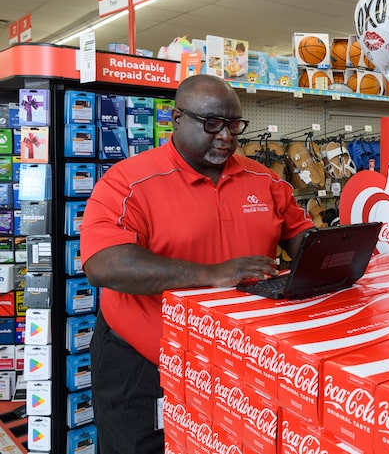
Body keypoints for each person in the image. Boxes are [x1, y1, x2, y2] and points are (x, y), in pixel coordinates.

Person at [80, 74, 315, 454]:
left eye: (234, 125)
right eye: (211, 124)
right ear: (176, 118)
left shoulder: (264, 180)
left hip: (238, 360)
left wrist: (335, 255)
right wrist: (212, 274)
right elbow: (103, 263)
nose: (225, 136)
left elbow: (301, 235)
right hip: (144, 364)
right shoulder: (128, 181)